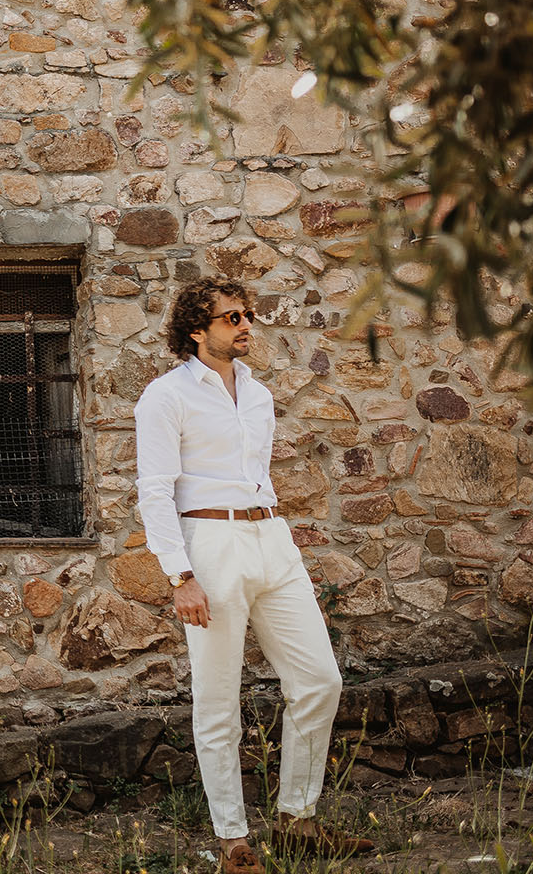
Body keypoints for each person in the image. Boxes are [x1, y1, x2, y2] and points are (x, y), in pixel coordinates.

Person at [134, 277, 373, 873]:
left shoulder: (259, 395)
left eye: (247, 315)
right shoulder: (166, 396)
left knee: (319, 681)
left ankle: (298, 821)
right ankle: (233, 843)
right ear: (198, 330)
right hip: (210, 544)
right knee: (218, 700)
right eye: (232, 317)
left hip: (271, 538)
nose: (246, 325)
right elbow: (155, 492)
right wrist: (180, 576)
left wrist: (274, 538)